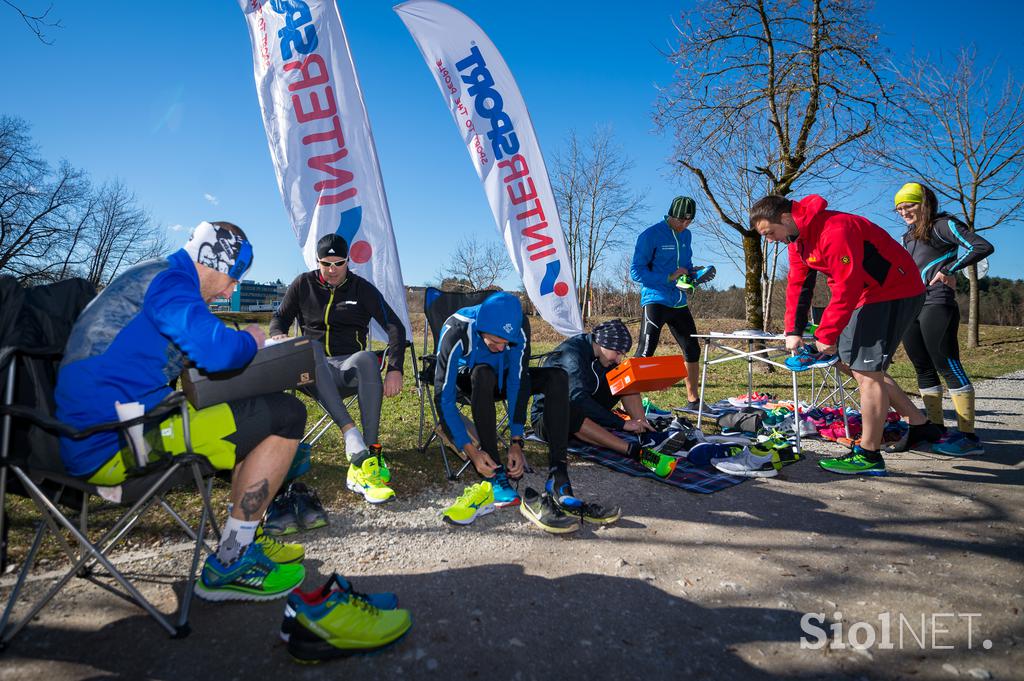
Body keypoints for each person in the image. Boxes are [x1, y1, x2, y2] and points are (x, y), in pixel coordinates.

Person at [55, 221, 307, 601]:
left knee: (251, 418)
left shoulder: (155, 277)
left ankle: (243, 536)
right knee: (287, 414)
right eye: (234, 276)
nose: (232, 288)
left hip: (99, 431)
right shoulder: (171, 282)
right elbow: (219, 351)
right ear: (213, 261)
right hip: (116, 442)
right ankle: (232, 560)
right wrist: (254, 338)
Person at [749, 195, 942, 476]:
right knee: (846, 362)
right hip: (867, 294)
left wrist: (827, 334)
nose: (769, 240)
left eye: (769, 233)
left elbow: (846, 284)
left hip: (892, 291)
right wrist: (792, 330)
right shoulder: (797, 241)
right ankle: (919, 425)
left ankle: (869, 454)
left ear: (786, 219)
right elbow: (798, 285)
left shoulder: (835, 229)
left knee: (866, 372)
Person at [270, 233, 407, 504]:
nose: (332, 270)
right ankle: (350, 435)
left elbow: (395, 326)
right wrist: (278, 336)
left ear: (348, 261)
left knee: (367, 358)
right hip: (311, 371)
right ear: (317, 261)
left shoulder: (361, 288)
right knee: (312, 347)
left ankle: (369, 456)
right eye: (326, 263)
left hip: (346, 366)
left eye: (339, 263)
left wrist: (395, 367)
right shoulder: (303, 284)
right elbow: (278, 319)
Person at [432, 292, 580, 532]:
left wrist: (516, 440)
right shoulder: (456, 329)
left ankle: (558, 473)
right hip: (472, 378)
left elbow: (517, 382)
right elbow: (444, 397)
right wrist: (471, 451)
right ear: (482, 328)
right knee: (483, 373)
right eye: (495, 341)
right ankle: (494, 472)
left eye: (507, 343)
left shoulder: (518, 327)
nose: (502, 348)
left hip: (506, 378)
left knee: (557, 377)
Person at [894, 182, 994, 456]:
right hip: (911, 307)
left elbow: (981, 246)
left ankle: (968, 437)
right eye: (900, 208)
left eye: (909, 205)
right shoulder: (908, 236)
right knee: (922, 367)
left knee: (946, 364)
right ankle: (934, 429)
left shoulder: (943, 225)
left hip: (937, 302)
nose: (904, 212)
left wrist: (950, 268)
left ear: (925, 203)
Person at [530, 319, 679, 487]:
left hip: (583, 405)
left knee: (624, 377)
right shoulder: (572, 355)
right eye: (618, 352)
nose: (618, 359)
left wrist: (654, 382)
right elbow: (579, 400)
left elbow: (616, 380)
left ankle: (646, 435)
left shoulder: (600, 353)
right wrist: (621, 424)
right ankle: (635, 452)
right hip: (548, 418)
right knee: (572, 410)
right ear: (603, 343)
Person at [630, 196, 710, 412]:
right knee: (645, 351)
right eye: (681, 221)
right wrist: (669, 277)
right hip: (655, 299)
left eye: (689, 221)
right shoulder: (650, 235)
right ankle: (629, 404)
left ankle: (693, 401)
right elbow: (636, 272)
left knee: (692, 349)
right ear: (671, 215)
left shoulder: (687, 235)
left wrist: (694, 274)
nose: (684, 225)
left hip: (679, 303)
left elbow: (685, 265)